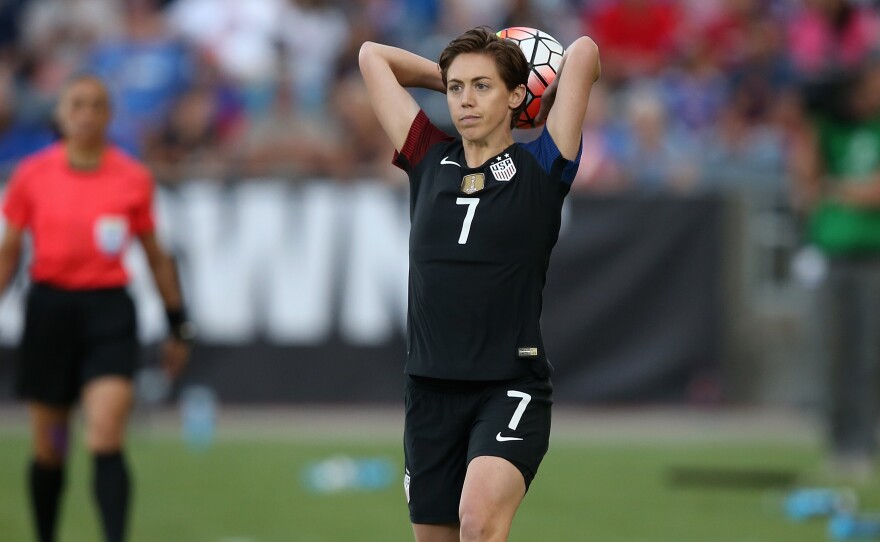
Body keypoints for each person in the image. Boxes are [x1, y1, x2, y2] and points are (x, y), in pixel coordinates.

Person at [358, 27, 600, 541]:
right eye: (456, 89)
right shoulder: (428, 156)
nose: (465, 100)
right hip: (429, 388)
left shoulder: (542, 166)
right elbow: (372, 56)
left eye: (482, 87)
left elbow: (584, 53)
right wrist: (451, 73)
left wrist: (541, 88)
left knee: (478, 521)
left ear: (516, 95)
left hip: (509, 386)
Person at [0, 74, 194, 542]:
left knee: (105, 433)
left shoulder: (131, 178)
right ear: (61, 114)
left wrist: (177, 324)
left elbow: (156, 255)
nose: (87, 114)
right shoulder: (32, 175)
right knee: (51, 446)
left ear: (109, 115)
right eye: (77, 104)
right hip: (50, 313)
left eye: (97, 105)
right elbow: (9, 252)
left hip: (108, 314)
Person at [790, 57, 880, 481]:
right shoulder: (830, 128)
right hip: (833, 252)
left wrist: (836, 188)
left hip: (872, 255)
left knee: (869, 354)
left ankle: (864, 442)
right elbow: (806, 188)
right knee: (834, 355)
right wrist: (810, 123)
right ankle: (840, 442)